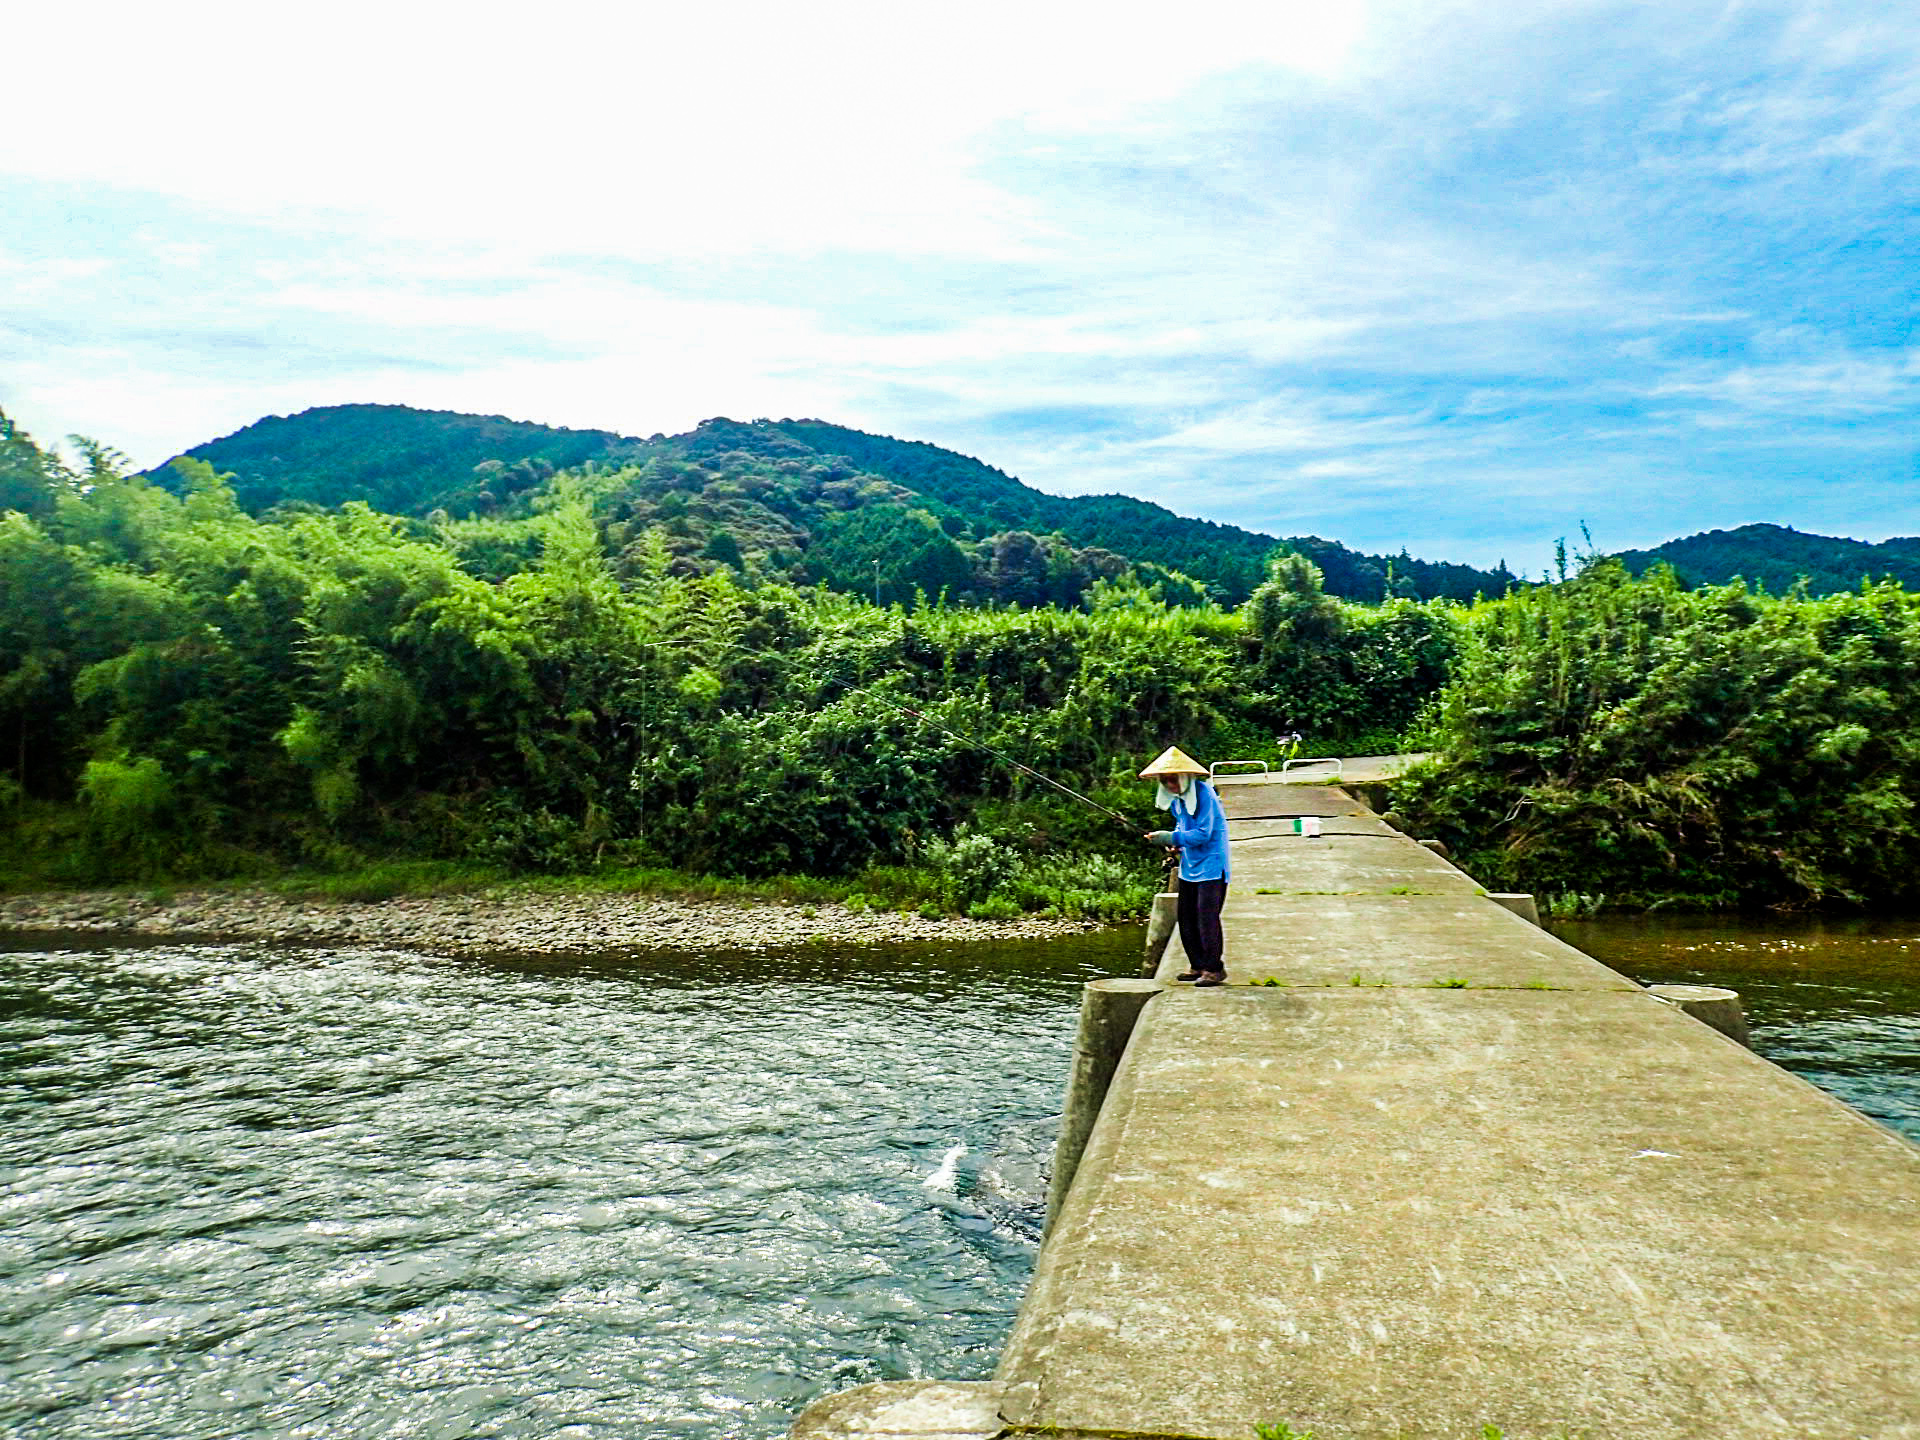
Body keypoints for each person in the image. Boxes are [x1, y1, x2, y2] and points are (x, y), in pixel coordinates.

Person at [1140, 746, 1230, 986]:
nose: (1170, 785)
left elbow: (1203, 833)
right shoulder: (1178, 801)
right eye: (1165, 780)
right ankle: (1197, 964)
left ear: (1184, 778)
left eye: (1173, 779)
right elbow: (1182, 827)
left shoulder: (1205, 795)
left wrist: (1170, 838)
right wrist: (1176, 843)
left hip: (1212, 865)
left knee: (1206, 917)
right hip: (1190, 866)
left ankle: (1214, 968)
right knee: (1186, 916)